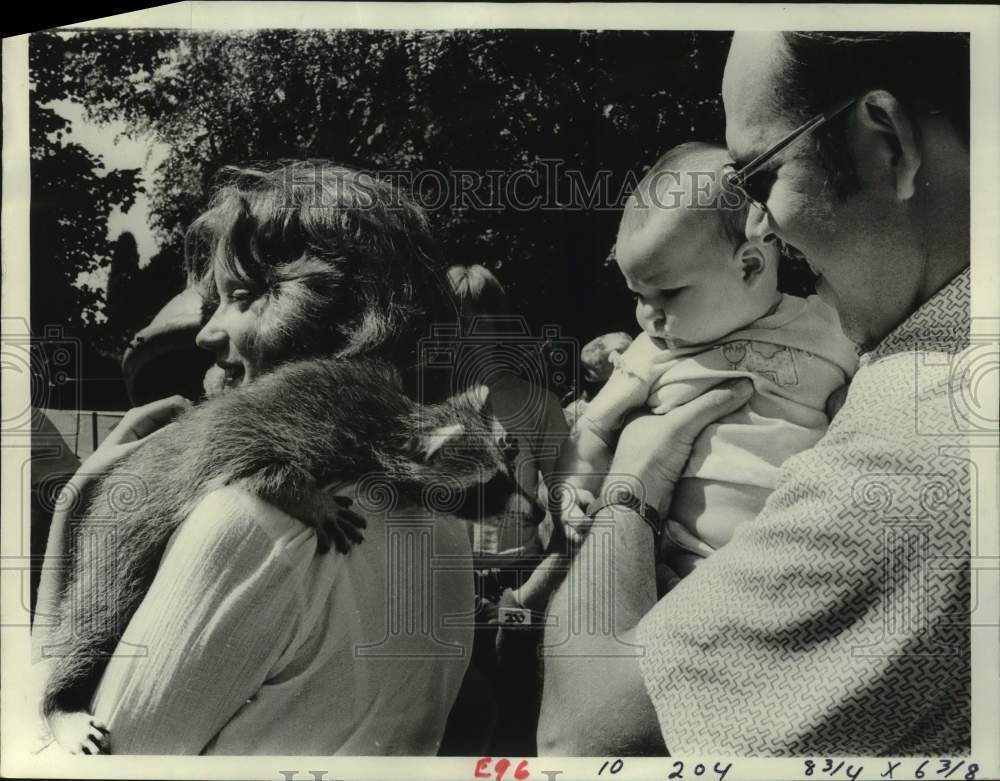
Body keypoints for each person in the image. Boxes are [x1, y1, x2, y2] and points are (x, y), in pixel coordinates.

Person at [538, 31, 971, 755]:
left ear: (886, 141)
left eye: (761, 174)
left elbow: (582, 736)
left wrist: (631, 484)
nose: (758, 224)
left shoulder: (924, 452)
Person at [33, 161, 475, 755]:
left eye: (239, 297)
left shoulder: (249, 525)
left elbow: (102, 763)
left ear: (339, 317)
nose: (205, 335)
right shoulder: (442, 529)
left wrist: (75, 503)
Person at [552, 142, 857, 591]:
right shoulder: (652, 352)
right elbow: (593, 430)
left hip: (807, 548)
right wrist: (571, 491)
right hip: (692, 565)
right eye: (637, 296)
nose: (647, 316)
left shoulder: (826, 327)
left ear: (750, 266)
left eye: (668, 293)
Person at [440, 263, 569, 756]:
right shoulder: (434, 408)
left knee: (517, 721)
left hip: (521, 581)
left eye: (481, 323)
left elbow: (566, 503)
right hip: (449, 589)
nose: (469, 337)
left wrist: (536, 592)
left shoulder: (538, 404)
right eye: (456, 324)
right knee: (458, 725)